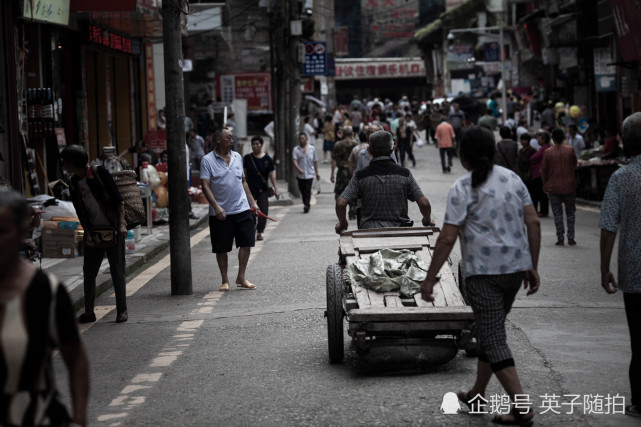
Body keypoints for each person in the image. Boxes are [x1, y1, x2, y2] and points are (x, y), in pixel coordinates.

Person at [420, 126, 541, 426]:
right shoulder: (513, 179)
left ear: (463, 157)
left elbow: (447, 238)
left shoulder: (462, 187)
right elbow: (533, 222)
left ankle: (521, 407)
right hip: (514, 271)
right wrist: (532, 264)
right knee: (491, 330)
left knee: (494, 336)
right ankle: (477, 392)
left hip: (483, 276)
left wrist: (429, 278)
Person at [0, 189, 90, 427]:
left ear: (21, 233)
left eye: (2, 232)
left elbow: (76, 358)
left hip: (38, 416)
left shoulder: (45, 291)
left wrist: (80, 419)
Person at [599, 112, 641, 418]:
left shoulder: (621, 177)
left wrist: (604, 269)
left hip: (634, 272)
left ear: (625, 142)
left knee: (639, 341)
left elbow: (608, 226)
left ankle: (640, 401)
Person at [61, 144, 129, 323]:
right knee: (89, 272)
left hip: (113, 228)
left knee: (117, 270)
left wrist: (121, 224)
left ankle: (122, 310)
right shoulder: (73, 183)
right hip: (94, 231)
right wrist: (87, 234)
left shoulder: (99, 173)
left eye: (66, 161)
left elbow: (119, 200)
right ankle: (89, 312)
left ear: (74, 162)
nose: (64, 165)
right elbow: (79, 211)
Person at [335, 130, 433, 232]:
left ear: (370, 151)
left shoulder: (360, 176)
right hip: (400, 231)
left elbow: (340, 203)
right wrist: (427, 219)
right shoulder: (404, 174)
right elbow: (424, 203)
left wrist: (343, 223)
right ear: (392, 149)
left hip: (369, 232)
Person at [200, 128, 260, 292]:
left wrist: (252, 203)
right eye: (228, 137)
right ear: (218, 140)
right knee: (222, 248)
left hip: (241, 208)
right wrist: (216, 207)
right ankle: (225, 280)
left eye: (232, 137)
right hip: (220, 213)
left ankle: (241, 276)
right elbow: (205, 186)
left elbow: (243, 182)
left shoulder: (237, 157)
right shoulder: (207, 160)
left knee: (247, 242)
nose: (231, 140)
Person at [541, 128, 578, 246]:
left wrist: (545, 184)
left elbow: (543, 170)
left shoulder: (548, 152)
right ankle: (571, 237)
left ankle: (560, 238)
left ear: (552, 139)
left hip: (553, 186)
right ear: (563, 138)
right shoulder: (570, 149)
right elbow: (575, 164)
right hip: (569, 185)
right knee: (570, 212)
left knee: (557, 213)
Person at [243, 135, 280, 242]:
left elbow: (271, 175)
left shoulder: (267, 158)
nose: (255, 146)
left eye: (257, 144)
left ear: (261, 145)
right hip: (250, 189)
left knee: (263, 210)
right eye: (253, 144)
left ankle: (260, 231)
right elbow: (244, 175)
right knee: (250, 211)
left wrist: (276, 189)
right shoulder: (247, 158)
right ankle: (252, 228)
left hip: (263, 189)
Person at [331, 126, 358, 219]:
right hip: (352, 171)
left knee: (339, 192)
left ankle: (341, 210)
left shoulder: (338, 144)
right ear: (351, 134)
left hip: (341, 171)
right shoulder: (356, 144)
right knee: (353, 191)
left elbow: (334, 160)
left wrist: (332, 174)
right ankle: (352, 211)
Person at [292, 132, 320, 213]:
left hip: (309, 174)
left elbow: (315, 161)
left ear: (306, 139)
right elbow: (294, 160)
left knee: (307, 190)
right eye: (300, 139)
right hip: (300, 174)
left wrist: (317, 173)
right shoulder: (296, 149)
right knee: (302, 190)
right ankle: (305, 203)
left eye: (303, 138)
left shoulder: (312, 149)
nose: (301, 140)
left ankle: (306, 205)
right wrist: (298, 169)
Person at [529, 130, 551, 217]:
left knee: (540, 193)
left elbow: (533, 158)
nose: (538, 140)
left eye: (539, 138)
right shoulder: (546, 147)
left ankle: (543, 211)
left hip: (539, 173)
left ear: (543, 139)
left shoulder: (544, 148)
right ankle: (543, 210)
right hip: (542, 172)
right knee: (542, 193)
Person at [518, 133, 537, 199]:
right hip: (521, 174)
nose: (523, 142)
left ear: (528, 141)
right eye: (522, 140)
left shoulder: (533, 150)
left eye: (524, 140)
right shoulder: (520, 150)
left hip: (530, 174)